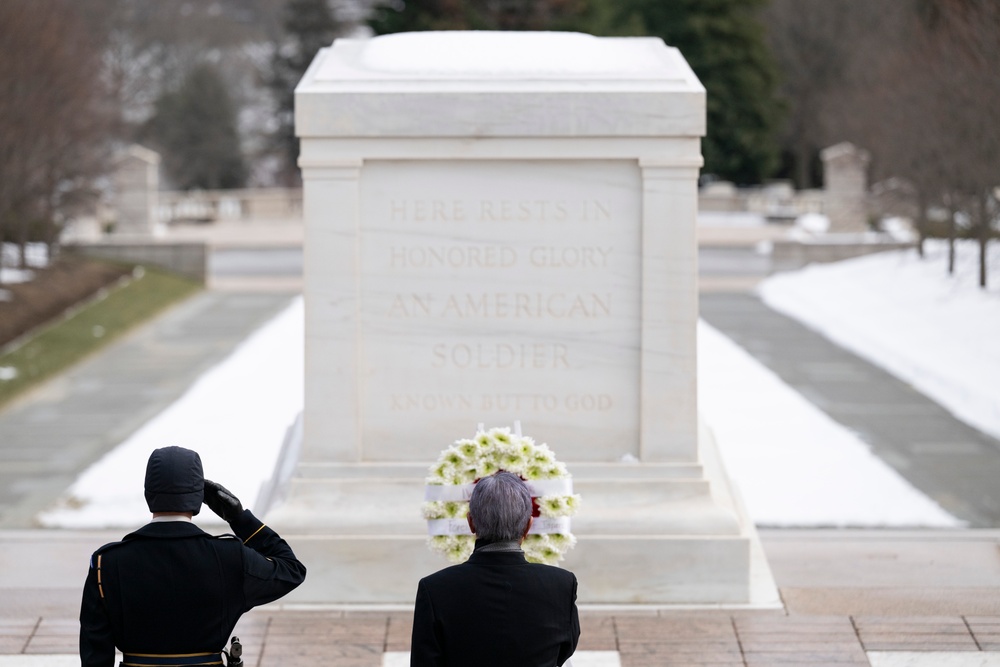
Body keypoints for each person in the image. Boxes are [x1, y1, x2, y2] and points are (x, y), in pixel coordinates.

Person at [79, 446, 306, 667]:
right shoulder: (230, 557)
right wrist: (240, 519)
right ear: (199, 497)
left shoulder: (106, 563)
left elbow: (95, 653)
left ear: (148, 493)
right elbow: (291, 570)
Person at [410, 471, 580, 667]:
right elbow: (563, 652)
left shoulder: (434, 589)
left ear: (471, 523)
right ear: (528, 526)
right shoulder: (561, 585)